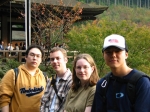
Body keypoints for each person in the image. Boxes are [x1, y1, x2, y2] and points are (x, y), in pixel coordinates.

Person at [91, 34, 150, 112]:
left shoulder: (141, 82)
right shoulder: (102, 84)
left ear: (126, 54)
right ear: (103, 55)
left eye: (117, 51)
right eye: (108, 52)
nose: (113, 55)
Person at [0, 45, 47, 112]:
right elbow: (4, 98)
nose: (34, 58)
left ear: (41, 59)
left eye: (38, 56)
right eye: (32, 55)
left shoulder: (44, 76)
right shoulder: (13, 74)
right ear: (26, 57)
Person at [40, 47, 72, 112]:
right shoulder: (51, 80)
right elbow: (44, 101)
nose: (55, 61)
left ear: (65, 60)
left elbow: (68, 106)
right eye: (52, 59)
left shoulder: (72, 81)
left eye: (58, 58)